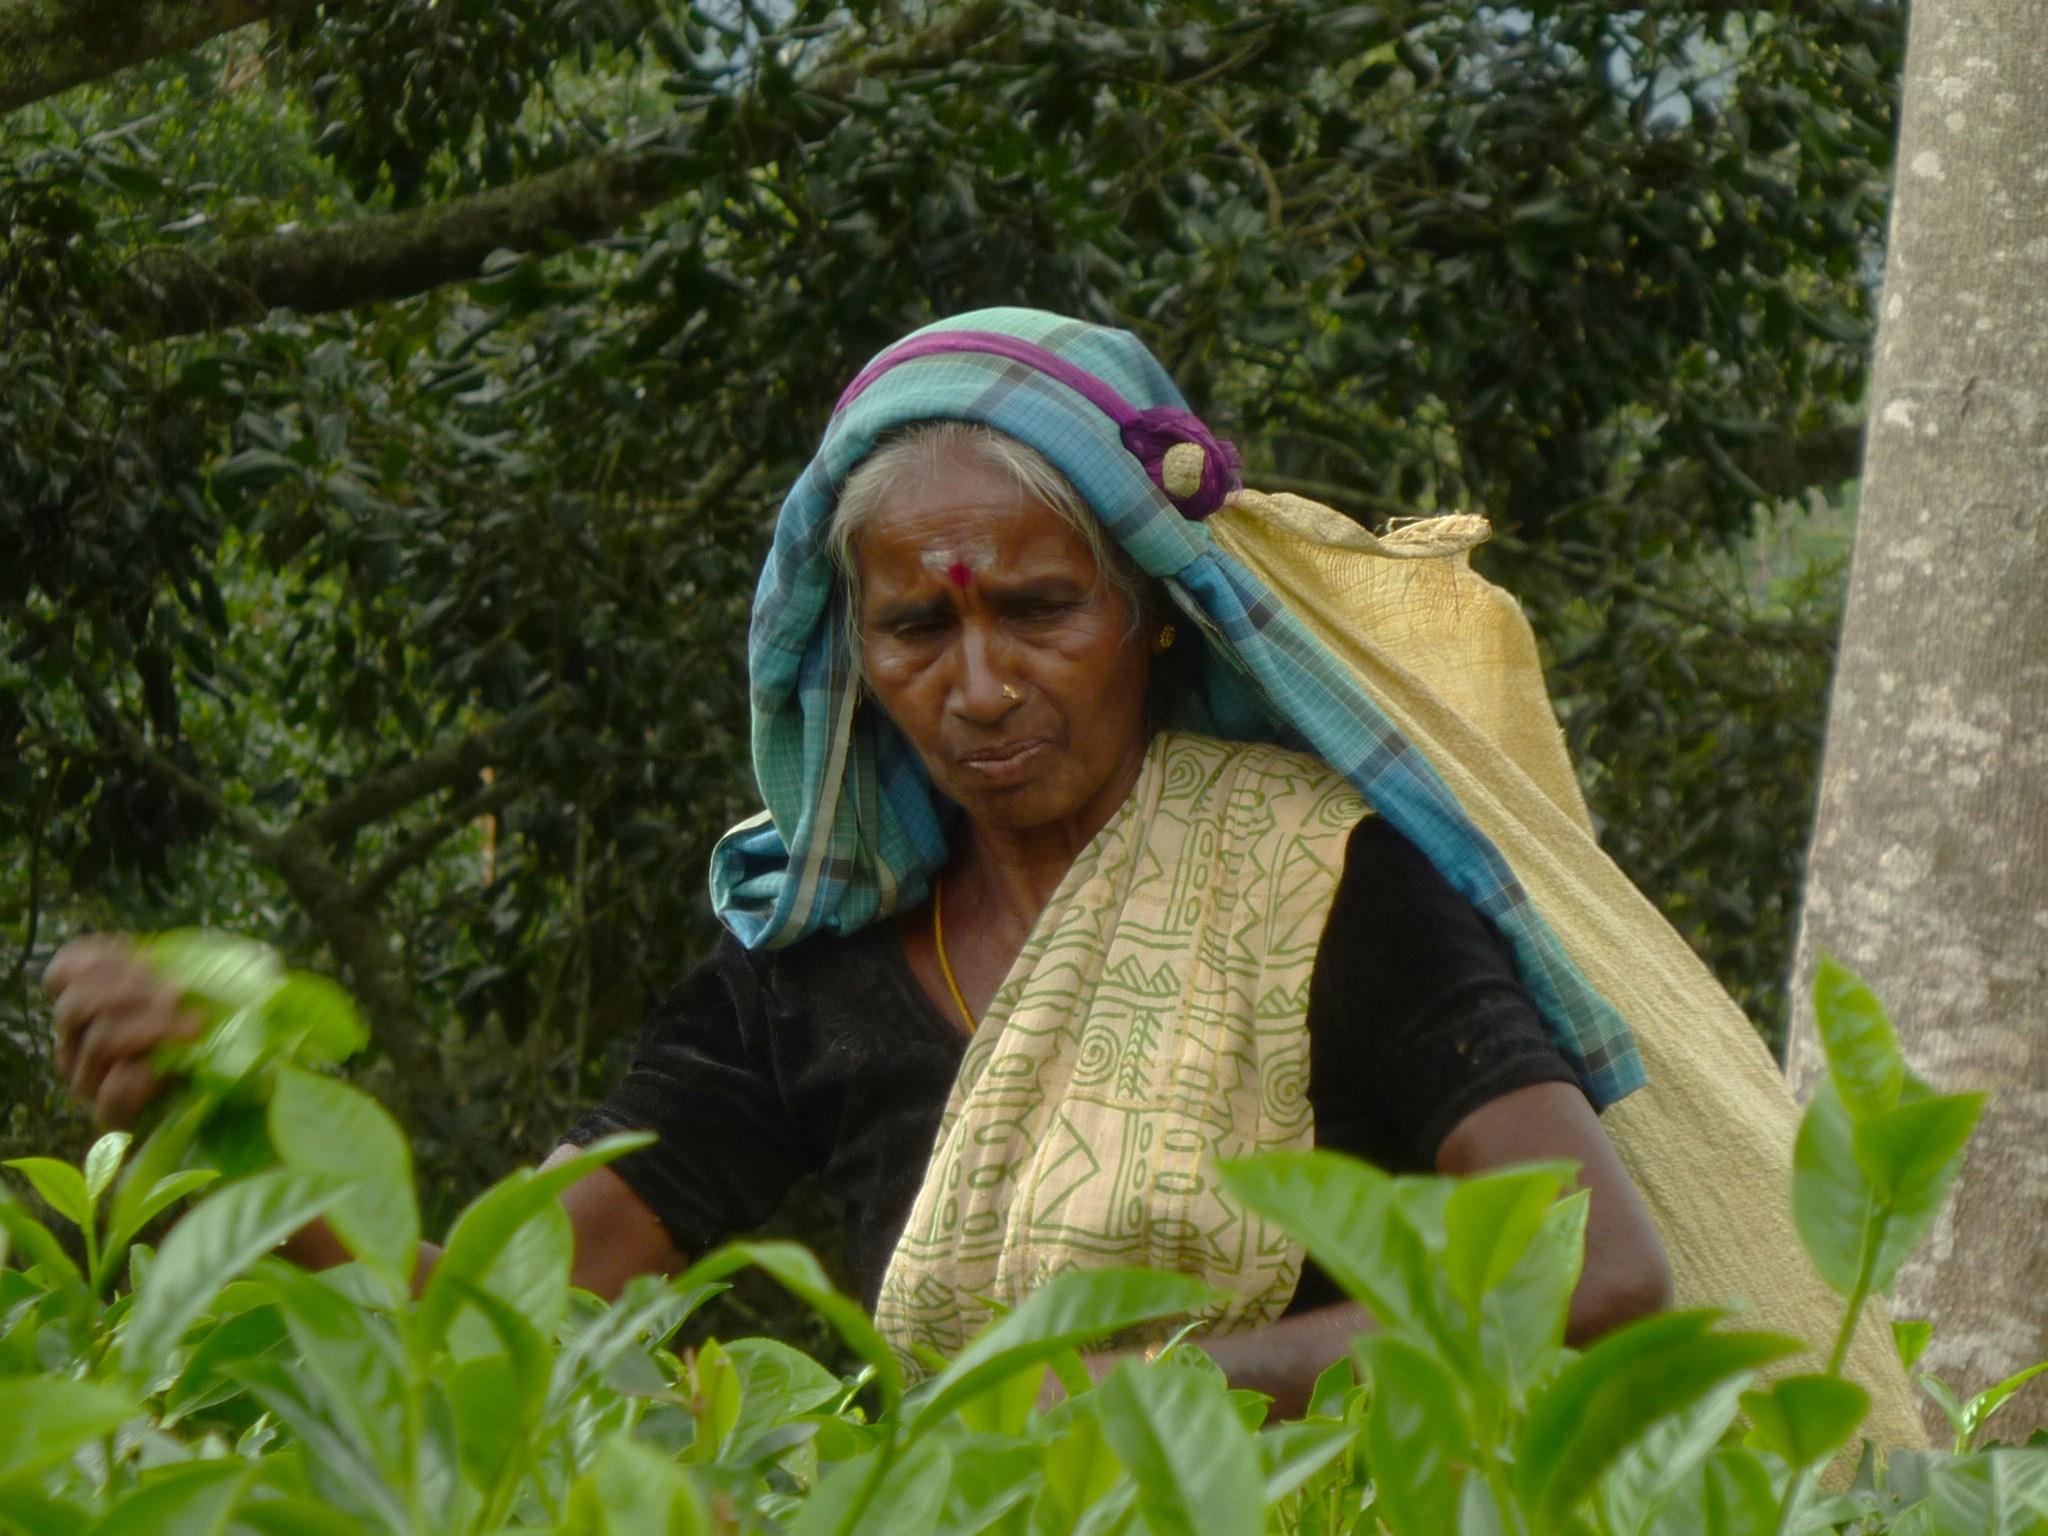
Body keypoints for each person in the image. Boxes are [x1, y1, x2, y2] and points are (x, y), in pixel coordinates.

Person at [48, 308, 1677, 1417]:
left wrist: (1142, 1402)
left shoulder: (1331, 885)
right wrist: (234, 1121)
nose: (978, 686)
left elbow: (1597, 1283)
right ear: (855, 657)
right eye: (919, 626)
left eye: (1038, 609)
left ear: (1150, 615)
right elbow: (497, 1316)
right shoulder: (805, 974)